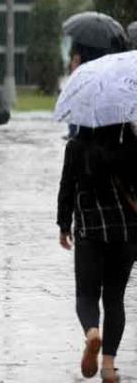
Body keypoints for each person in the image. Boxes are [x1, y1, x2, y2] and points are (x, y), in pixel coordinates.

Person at [58, 123, 137, 383]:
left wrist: (63, 225)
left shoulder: (76, 147)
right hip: (126, 233)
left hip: (90, 232)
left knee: (87, 293)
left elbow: (66, 188)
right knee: (114, 298)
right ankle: (108, 366)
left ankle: (92, 332)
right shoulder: (130, 146)